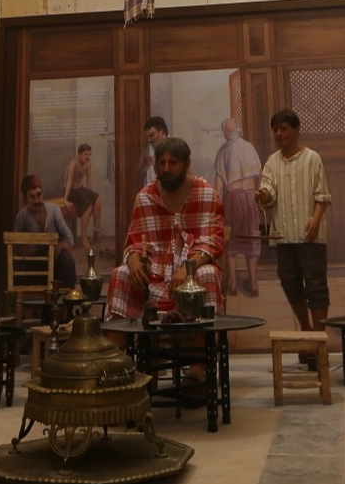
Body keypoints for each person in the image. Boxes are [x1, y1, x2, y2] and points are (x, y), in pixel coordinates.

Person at [105, 136, 226, 319]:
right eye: (162, 163)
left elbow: (212, 243)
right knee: (120, 274)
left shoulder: (207, 194)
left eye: (173, 162)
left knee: (208, 274)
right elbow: (134, 242)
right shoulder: (145, 197)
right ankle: (118, 336)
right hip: (153, 275)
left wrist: (186, 270)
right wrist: (134, 262)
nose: (167, 169)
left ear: (187, 164)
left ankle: (203, 334)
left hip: (192, 273)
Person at [256, 109, 332, 350]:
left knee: (316, 284)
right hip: (284, 236)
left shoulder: (312, 158)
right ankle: (306, 329)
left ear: (296, 130)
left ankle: (318, 341)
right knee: (289, 282)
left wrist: (315, 220)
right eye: (275, 129)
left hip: (310, 235)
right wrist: (264, 194)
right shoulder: (272, 161)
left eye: (284, 129)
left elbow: (322, 195)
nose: (278, 134)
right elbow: (268, 191)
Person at [213, 118, 264, 297]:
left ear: (226, 133)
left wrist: (215, 202)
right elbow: (259, 175)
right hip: (249, 197)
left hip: (233, 198)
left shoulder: (224, 150)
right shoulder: (250, 147)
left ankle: (233, 281)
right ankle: (253, 282)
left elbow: (219, 180)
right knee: (251, 238)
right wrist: (258, 194)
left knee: (232, 239)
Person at [14, 175, 76, 288]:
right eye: (32, 197)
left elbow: (69, 239)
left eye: (39, 195)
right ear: (25, 200)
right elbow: (14, 246)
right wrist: (23, 249)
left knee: (67, 260)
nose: (37, 200)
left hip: (54, 259)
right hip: (33, 262)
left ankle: (66, 297)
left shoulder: (54, 210)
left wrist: (59, 246)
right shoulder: (22, 216)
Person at [62, 143, 103, 245]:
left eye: (89, 154)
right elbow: (69, 181)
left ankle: (97, 225)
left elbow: (88, 180)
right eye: (86, 154)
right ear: (79, 155)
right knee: (87, 206)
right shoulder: (74, 163)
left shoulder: (88, 164)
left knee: (98, 198)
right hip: (70, 191)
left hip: (80, 189)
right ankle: (83, 237)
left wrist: (91, 196)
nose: (88, 157)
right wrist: (65, 199)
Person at [138, 116, 169, 189]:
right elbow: (138, 185)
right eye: (147, 137)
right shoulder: (146, 152)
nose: (149, 140)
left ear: (162, 132)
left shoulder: (176, 150)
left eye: (152, 135)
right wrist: (143, 168)